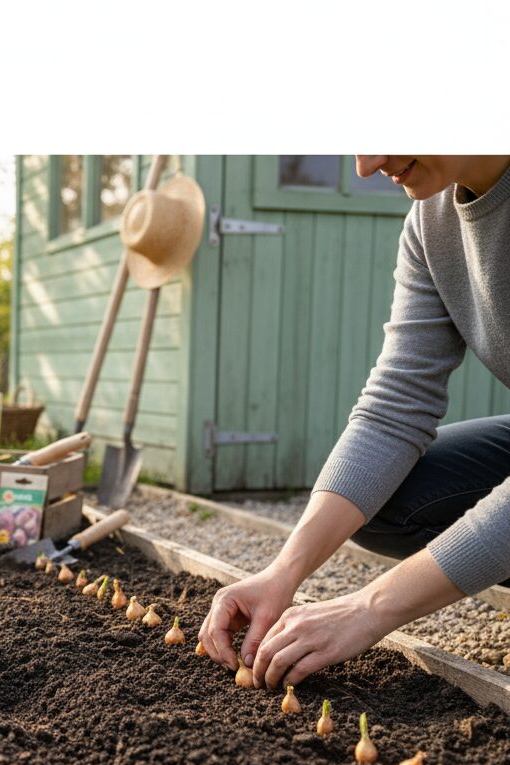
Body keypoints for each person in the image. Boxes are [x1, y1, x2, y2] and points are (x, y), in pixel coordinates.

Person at [198, 155, 510, 689]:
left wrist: (371, 606)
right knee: (385, 502)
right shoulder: (430, 223)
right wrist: (283, 572)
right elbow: (395, 406)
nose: (368, 165)